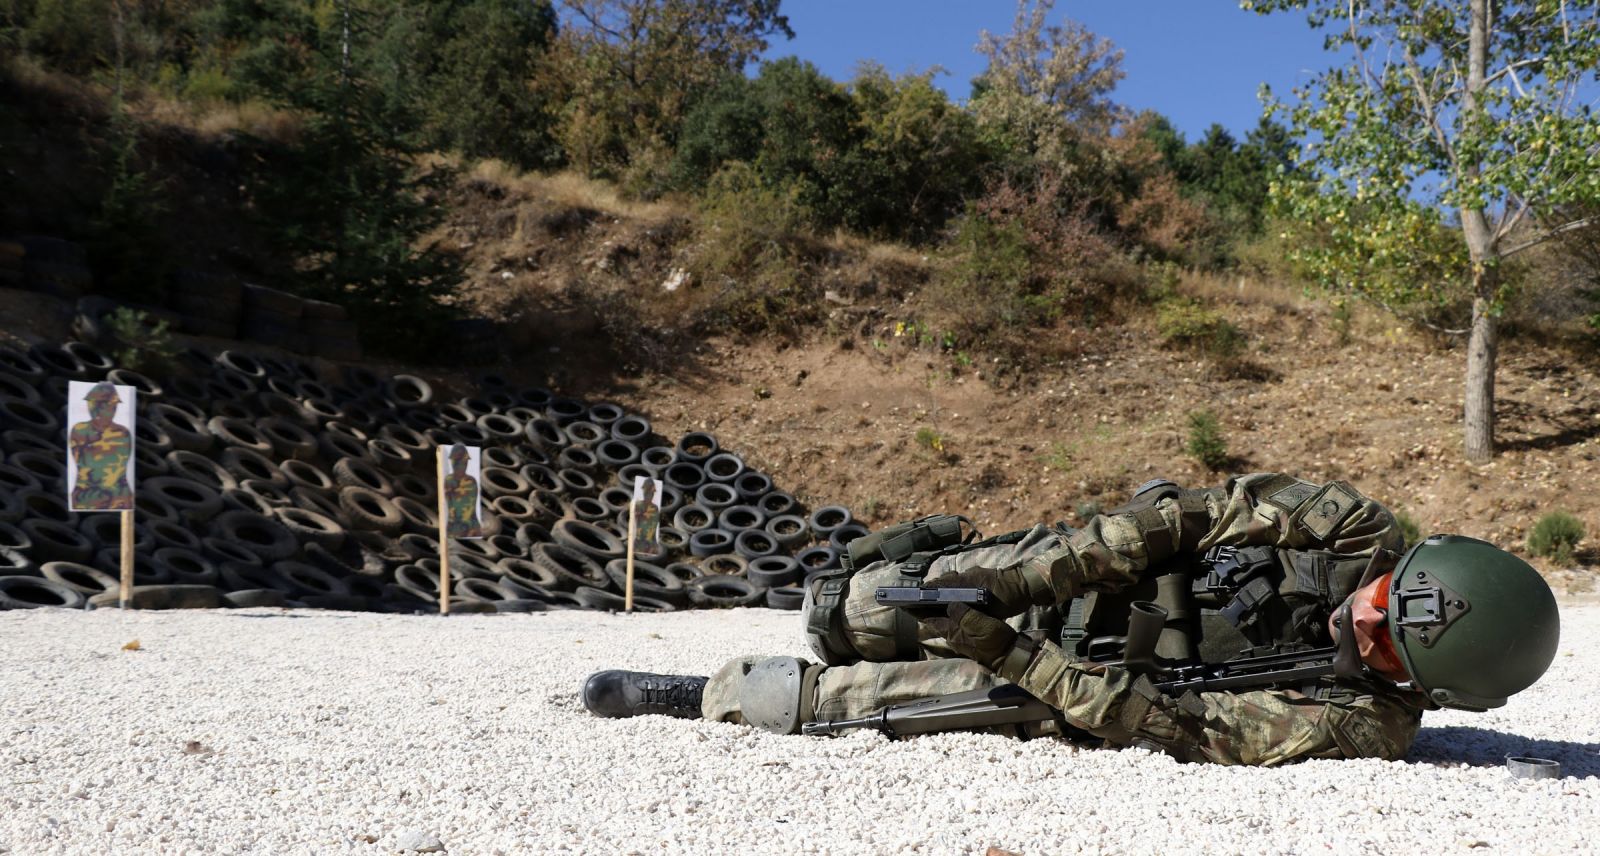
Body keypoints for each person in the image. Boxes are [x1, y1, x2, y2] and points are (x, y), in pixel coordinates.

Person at [580, 473, 1561, 766]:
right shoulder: (1352, 527)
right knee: (853, 606)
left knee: (874, 695)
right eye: (1385, 589)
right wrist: (1026, 582)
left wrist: (1006, 649)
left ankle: (695, 695)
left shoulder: (1361, 724)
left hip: (1074, 687)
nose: (1365, 606)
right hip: (1085, 578)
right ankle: (861, 606)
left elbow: (1166, 722)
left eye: (1382, 630)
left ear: (1418, 681)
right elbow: (1180, 516)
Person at [68, 382, 134, 510]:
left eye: (110, 406)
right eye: (99, 406)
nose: (105, 410)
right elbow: (81, 463)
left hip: (118, 497)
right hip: (86, 497)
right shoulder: (80, 430)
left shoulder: (123, 433)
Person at [442, 444, 483, 539]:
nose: (462, 466)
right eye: (458, 463)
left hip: (471, 526)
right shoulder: (449, 480)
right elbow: (448, 504)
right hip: (455, 527)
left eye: (464, 463)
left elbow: (471, 506)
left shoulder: (471, 481)